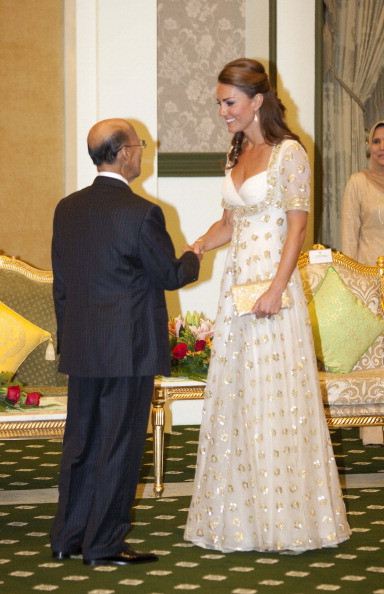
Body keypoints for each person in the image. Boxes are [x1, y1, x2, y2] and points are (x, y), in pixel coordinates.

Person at [184, 58, 351, 553]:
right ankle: (240, 519)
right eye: (218, 103)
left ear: (258, 101)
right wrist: (194, 248)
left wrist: (277, 289)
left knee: (274, 402)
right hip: (236, 290)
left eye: (229, 102)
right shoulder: (237, 152)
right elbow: (230, 224)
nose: (222, 111)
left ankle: (286, 521)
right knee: (237, 398)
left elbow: (296, 227)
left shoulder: (290, 153)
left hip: (272, 292)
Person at [50, 118, 201, 566]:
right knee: (118, 446)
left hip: (82, 347)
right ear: (123, 153)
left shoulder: (67, 208)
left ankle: (66, 538)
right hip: (128, 351)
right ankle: (103, 546)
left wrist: (70, 338)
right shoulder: (141, 213)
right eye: (139, 145)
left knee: (79, 443)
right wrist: (197, 251)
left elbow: (61, 284)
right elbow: (171, 275)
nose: (142, 151)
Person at [342, 119, 384, 446]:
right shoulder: (358, 182)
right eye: (377, 141)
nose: (382, 147)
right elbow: (349, 235)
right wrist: (351, 281)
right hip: (370, 278)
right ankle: (372, 427)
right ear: (369, 146)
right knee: (374, 353)